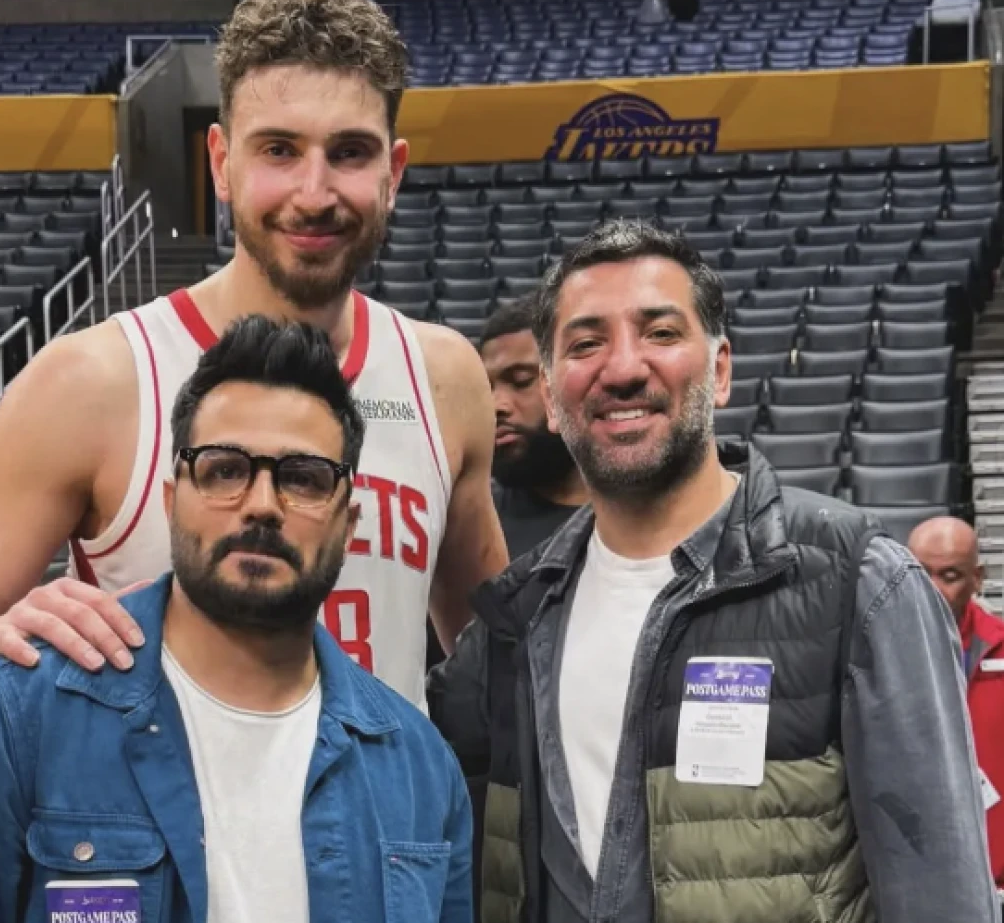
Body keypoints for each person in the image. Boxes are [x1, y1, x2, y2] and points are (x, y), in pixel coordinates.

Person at [0, 0, 507, 717]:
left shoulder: (445, 376)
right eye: (279, 150)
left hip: (381, 794)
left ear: (393, 172)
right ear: (221, 163)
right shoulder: (94, 380)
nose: (314, 192)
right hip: (158, 796)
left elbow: (501, 655)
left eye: (350, 152)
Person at [429, 219, 999, 923]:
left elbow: (942, 893)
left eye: (661, 332)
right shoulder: (512, 620)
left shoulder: (860, 582)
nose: (623, 367)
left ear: (720, 370)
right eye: (586, 343)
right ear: (551, 395)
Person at [0, 317, 473, 923]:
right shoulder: (10, 718)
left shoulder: (421, 768)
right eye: (224, 470)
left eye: (303, 479)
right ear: (171, 502)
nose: (262, 505)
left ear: (348, 524)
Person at [910, 516, 1004, 887]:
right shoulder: (868, 656)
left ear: (977, 578)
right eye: (920, 574)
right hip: (911, 876)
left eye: (949, 576)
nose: (932, 590)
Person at [481, 294, 586, 559]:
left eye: (520, 381)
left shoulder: (648, 515)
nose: (496, 405)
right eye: (485, 389)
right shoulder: (478, 529)